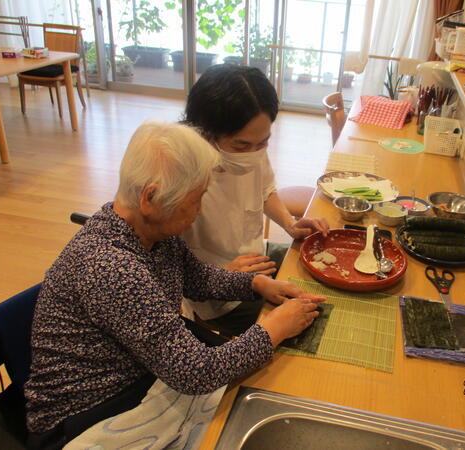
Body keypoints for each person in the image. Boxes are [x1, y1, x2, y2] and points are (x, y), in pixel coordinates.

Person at [25, 121, 324, 449]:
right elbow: (195, 371)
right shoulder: (113, 268)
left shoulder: (148, 231)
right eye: (195, 200)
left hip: (137, 378)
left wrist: (257, 284)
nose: (198, 211)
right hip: (86, 416)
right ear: (150, 198)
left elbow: (198, 277)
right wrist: (274, 329)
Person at [181, 64, 329, 335]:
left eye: (263, 143)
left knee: (322, 275)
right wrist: (223, 273)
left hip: (255, 263)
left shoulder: (253, 145)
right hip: (217, 297)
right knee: (315, 319)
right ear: (204, 133)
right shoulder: (181, 174)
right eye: (241, 145)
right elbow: (158, 266)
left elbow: (264, 190)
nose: (254, 153)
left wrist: (289, 223)